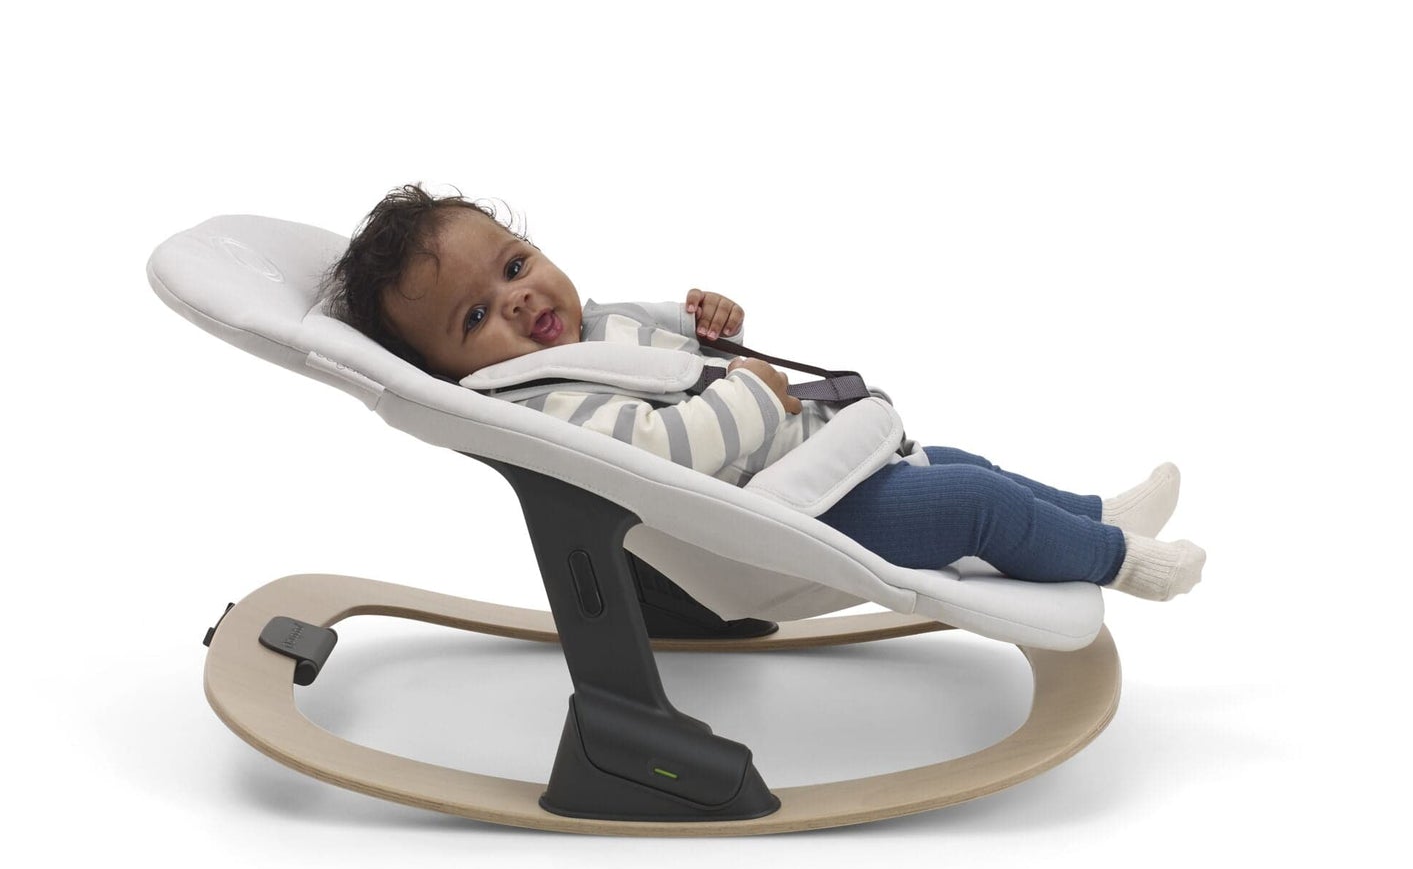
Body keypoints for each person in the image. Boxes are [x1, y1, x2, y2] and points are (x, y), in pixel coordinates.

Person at [320, 184, 1205, 601]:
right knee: (973, 503)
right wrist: (754, 396)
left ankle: (1099, 514)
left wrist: (710, 324)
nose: (516, 298)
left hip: (826, 458)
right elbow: (656, 451)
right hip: (797, 511)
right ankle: (1124, 564)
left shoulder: (591, 328)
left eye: (515, 265)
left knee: (959, 460)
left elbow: (677, 359)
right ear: (455, 373)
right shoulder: (538, 403)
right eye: (476, 315)